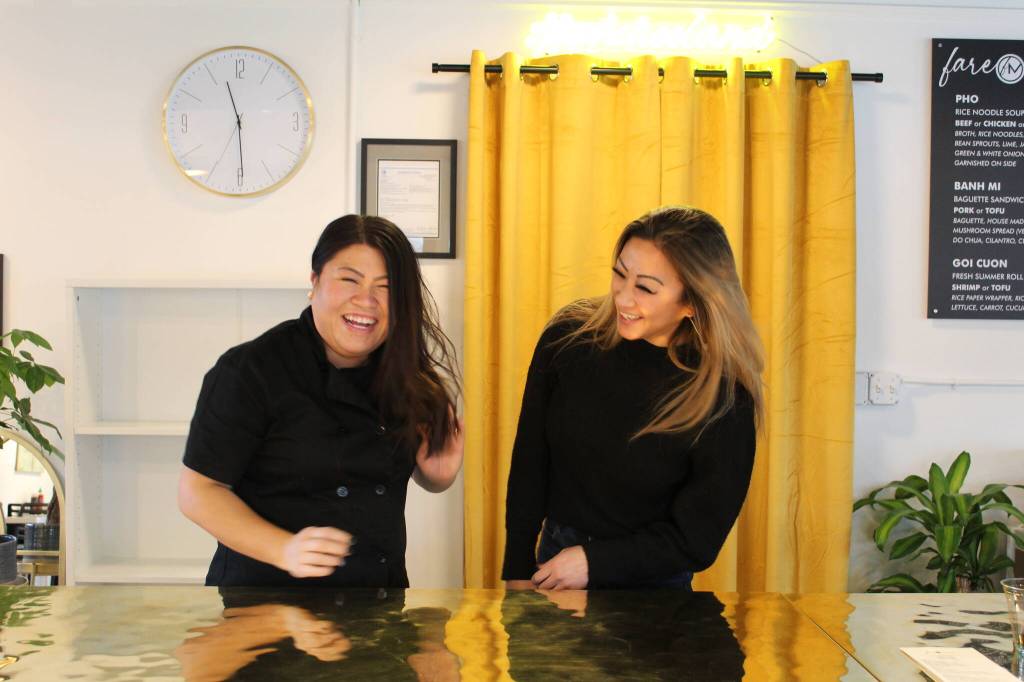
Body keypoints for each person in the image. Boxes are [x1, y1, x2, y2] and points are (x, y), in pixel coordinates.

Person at [178, 214, 463, 587]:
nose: (367, 300)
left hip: (378, 600)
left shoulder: (407, 376)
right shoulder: (251, 370)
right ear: (315, 282)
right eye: (349, 280)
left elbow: (410, 476)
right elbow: (198, 492)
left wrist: (437, 474)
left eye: (386, 287)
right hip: (267, 600)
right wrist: (284, 549)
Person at [502, 206, 765, 590]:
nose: (623, 298)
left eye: (645, 288)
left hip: (653, 587)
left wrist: (595, 562)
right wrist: (517, 571)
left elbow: (698, 539)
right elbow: (530, 460)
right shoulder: (568, 339)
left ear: (692, 302)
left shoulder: (724, 396)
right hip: (556, 563)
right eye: (619, 274)